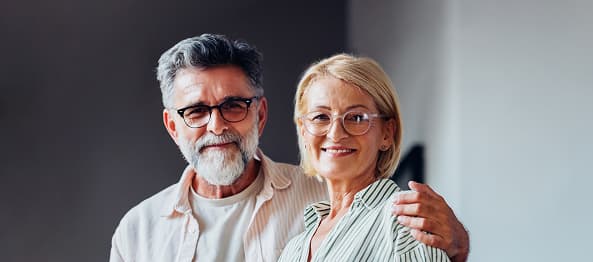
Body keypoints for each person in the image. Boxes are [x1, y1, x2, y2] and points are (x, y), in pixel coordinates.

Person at [109, 34, 469, 262]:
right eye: (197, 111)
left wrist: (457, 245)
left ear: (260, 114)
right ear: (173, 126)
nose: (216, 126)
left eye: (234, 106)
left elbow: (433, 243)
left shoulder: (388, 215)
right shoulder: (137, 231)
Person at [277, 54, 449, 261]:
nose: (335, 133)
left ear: (387, 133)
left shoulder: (407, 225)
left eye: (357, 118)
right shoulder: (293, 248)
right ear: (304, 132)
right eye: (321, 117)